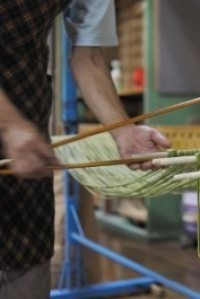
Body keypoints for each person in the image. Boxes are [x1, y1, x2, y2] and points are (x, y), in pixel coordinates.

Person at [0, 1, 170, 298]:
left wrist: (123, 130)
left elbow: (88, 57)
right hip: (17, 127)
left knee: (24, 264)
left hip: (27, 132)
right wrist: (10, 125)